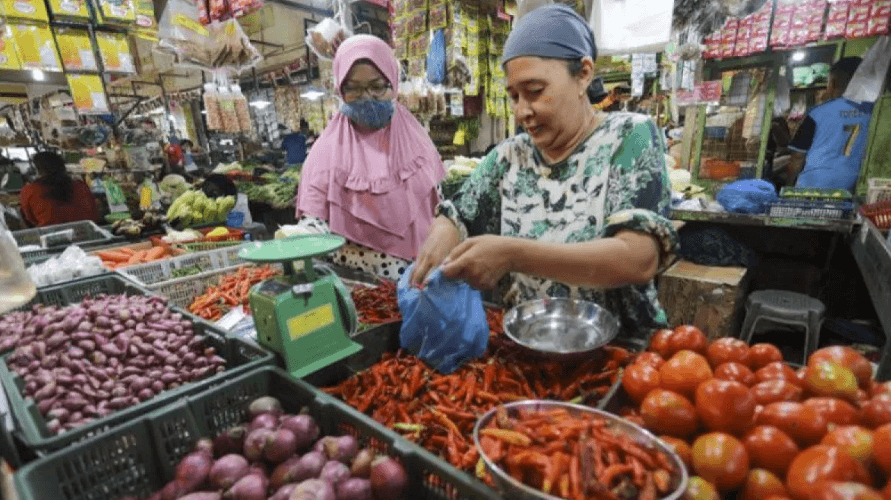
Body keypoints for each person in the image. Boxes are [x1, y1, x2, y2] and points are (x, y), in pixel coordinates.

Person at [410, 4, 679, 338]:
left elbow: (637, 258)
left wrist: (512, 255)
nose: (523, 111)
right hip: (530, 346)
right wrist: (441, 234)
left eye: (535, 92)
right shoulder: (511, 156)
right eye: (513, 96)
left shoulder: (629, 137)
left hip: (619, 350)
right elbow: (457, 214)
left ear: (583, 74)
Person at [295, 34, 446, 280]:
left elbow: (439, 205)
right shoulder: (325, 152)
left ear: (393, 83)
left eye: (377, 86)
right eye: (352, 88)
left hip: (422, 281)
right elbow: (314, 222)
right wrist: (299, 240)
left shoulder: (417, 140)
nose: (366, 97)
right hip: (360, 289)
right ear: (339, 89)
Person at [787, 57, 873, 191]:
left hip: (811, 189)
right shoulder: (875, 111)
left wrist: (788, 186)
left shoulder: (817, 113)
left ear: (832, 83)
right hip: (852, 191)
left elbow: (797, 158)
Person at [20, 151, 99, 227]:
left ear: (37, 171)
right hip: (89, 232)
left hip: (53, 235)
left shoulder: (30, 190)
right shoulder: (80, 185)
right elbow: (94, 210)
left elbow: (30, 219)